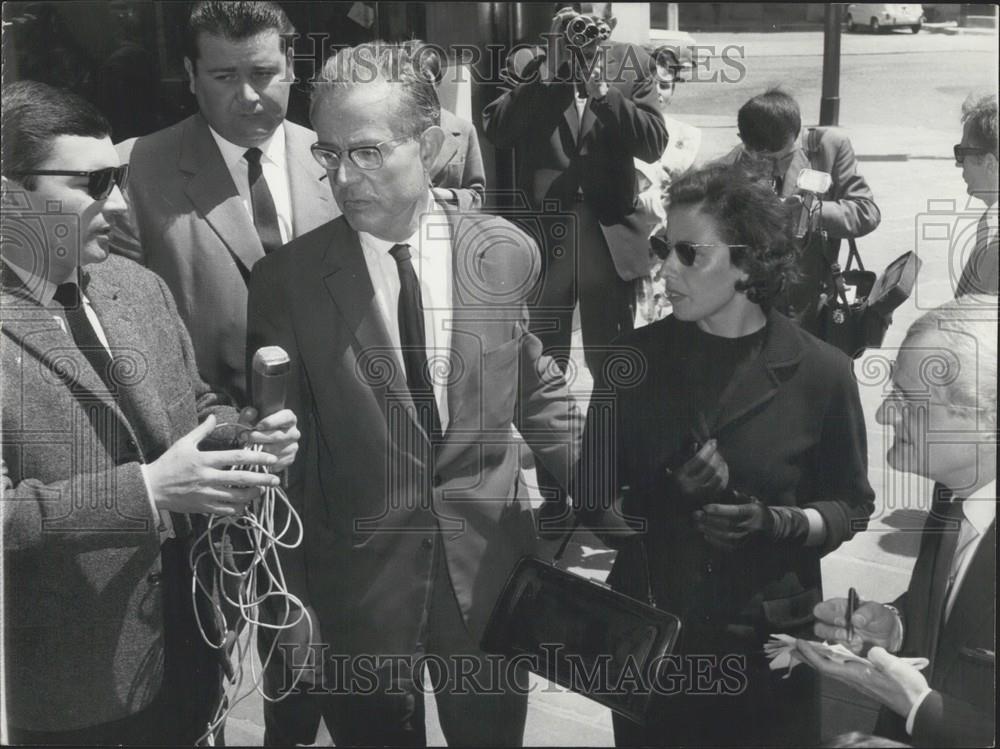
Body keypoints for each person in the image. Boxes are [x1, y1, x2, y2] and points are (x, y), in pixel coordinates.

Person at [246, 42, 583, 747]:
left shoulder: (501, 251)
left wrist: (620, 492)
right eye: (329, 154)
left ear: (429, 147)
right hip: (358, 594)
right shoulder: (288, 282)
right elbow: (286, 470)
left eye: (367, 152)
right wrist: (292, 601)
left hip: (490, 579)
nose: (344, 177)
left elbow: (535, 387)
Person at [1, 80, 299, 745]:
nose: (120, 203)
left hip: (189, 650)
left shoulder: (137, 286)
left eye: (121, 179)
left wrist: (244, 435)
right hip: (71, 691)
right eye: (94, 183)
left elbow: (191, 405)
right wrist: (147, 490)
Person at [575, 163, 876, 746]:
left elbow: (850, 505)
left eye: (689, 253)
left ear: (750, 262)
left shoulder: (821, 372)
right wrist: (664, 498)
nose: (665, 269)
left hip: (768, 655)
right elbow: (592, 503)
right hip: (655, 646)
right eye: (664, 247)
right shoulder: (629, 361)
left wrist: (780, 522)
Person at [111, 1, 334, 406]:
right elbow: (126, 333)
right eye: (225, 76)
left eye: (264, 74)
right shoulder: (134, 171)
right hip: (212, 435)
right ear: (190, 76)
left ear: (292, 67)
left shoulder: (338, 160)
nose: (248, 96)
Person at [798, 303, 996, 748]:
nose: (886, 415)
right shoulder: (953, 490)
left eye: (908, 400)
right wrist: (895, 625)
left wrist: (924, 710)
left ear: (990, 419)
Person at [481, 2, 668, 393]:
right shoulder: (530, 61)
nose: (581, 32)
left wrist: (607, 96)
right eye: (571, 21)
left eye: (591, 23)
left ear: (610, 24)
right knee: (542, 358)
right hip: (547, 233)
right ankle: (552, 448)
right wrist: (548, 70)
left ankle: (612, 439)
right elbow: (498, 130)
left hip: (608, 232)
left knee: (612, 356)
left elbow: (654, 145)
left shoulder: (632, 61)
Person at [722, 88, 881, 335]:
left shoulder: (829, 147)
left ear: (796, 136)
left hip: (811, 302)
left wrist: (812, 212)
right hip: (754, 305)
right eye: (764, 160)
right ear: (744, 142)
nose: (775, 168)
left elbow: (866, 212)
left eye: (784, 158)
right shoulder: (730, 166)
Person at [405, 41, 486, 211]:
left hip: (447, 227)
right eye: (411, 82)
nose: (419, 89)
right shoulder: (387, 131)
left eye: (425, 80)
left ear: (437, 82)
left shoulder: (464, 130)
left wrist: (441, 195)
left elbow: (477, 197)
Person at [953, 92, 998, 298]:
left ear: (989, 164)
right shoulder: (989, 221)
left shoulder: (993, 230)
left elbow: (974, 317)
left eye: (963, 154)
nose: (957, 162)